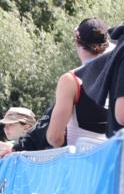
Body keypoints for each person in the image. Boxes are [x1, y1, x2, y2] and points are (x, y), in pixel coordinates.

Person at [47, 18, 112, 147]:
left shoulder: (71, 80)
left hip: (83, 162)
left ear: (77, 42)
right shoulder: (118, 75)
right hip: (114, 161)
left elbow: (54, 138)